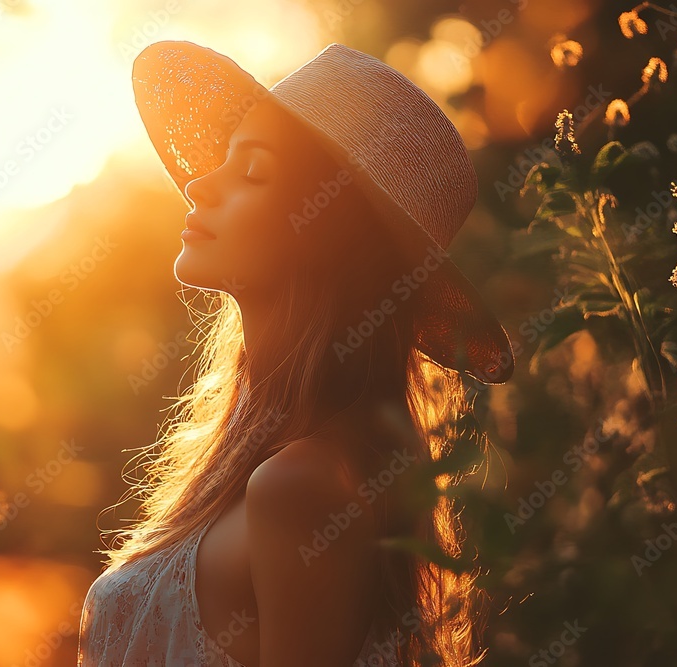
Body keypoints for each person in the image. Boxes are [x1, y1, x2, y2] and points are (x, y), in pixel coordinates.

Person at [77, 40, 515, 667]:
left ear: (328, 235)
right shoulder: (255, 453)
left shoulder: (302, 483)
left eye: (253, 171)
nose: (201, 184)